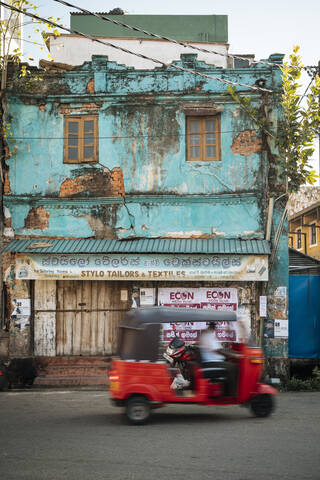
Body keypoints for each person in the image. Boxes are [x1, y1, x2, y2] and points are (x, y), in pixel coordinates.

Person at [199, 322, 240, 396]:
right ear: (211, 325)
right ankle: (232, 394)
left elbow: (221, 349)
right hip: (211, 363)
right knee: (234, 368)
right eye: (214, 325)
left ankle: (226, 390)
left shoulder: (210, 335)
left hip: (214, 361)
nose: (216, 326)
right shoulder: (207, 336)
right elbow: (218, 350)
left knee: (231, 365)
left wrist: (235, 352)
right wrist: (234, 355)